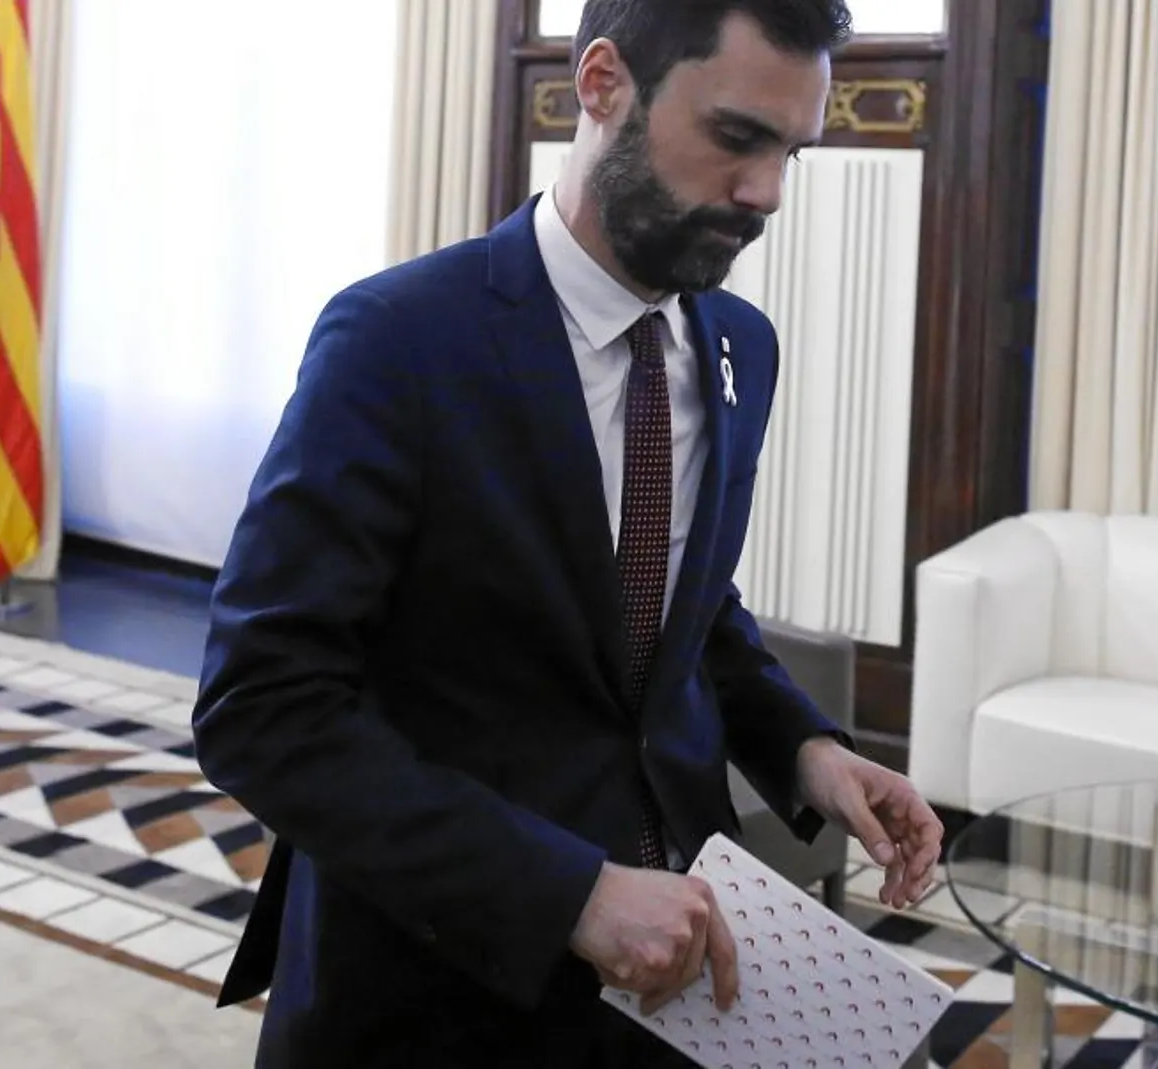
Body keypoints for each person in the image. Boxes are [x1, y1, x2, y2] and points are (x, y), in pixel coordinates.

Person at [191, 1, 944, 1064]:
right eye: (736, 137)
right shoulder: (399, 341)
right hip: (434, 974)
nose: (767, 193)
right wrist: (571, 894)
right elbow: (259, 707)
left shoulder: (740, 346)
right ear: (602, 84)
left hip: (680, 970)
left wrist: (806, 749)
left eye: (790, 151)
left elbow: (683, 609)